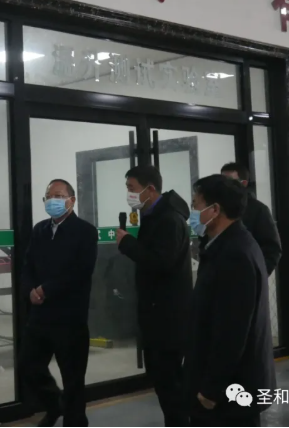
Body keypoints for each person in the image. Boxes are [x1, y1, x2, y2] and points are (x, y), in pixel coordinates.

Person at [186, 175, 275, 427]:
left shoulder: (235, 254)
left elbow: (232, 332)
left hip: (229, 393)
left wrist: (211, 389)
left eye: (195, 205)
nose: (192, 213)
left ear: (215, 210)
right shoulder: (222, 245)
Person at [116, 165, 192, 427]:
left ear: (150, 189)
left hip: (168, 318)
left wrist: (127, 244)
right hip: (156, 315)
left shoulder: (169, 220)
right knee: (164, 381)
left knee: (170, 383)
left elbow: (161, 262)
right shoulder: (152, 216)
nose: (129, 194)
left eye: (132, 188)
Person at [20, 179, 98, 427]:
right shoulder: (39, 230)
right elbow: (27, 266)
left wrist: (46, 289)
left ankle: (75, 422)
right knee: (29, 367)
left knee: (73, 381)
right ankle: (55, 405)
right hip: (40, 317)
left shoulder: (85, 232)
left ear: (71, 200)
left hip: (70, 319)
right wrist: (30, 290)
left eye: (58, 195)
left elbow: (80, 272)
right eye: (48, 196)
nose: (52, 200)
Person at [220, 162, 282, 276]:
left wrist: (256, 275)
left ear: (243, 183)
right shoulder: (219, 209)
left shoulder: (258, 209)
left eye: (230, 182)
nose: (225, 186)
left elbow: (272, 249)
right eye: (222, 182)